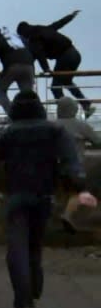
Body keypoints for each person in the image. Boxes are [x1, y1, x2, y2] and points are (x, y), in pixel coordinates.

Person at [0, 90, 97, 308]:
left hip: (15, 198)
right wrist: (80, 188)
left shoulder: (8, 132)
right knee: (34, 245)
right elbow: (70, 163)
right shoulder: (55, 131)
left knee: (17, 249)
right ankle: (34, 283)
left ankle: (23, 305)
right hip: (44, 198)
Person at [18, 10, 95, 118]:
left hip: (65, 57)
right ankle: (86, 105)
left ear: (23, 34)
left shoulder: (33, 39)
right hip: (75, 54)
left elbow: (39, 55)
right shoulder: (43, 29)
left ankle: (66, 115)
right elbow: (58, 24)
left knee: (55, 87)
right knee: (66, 81)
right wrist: (70, 16)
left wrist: (46, 69)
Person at [53, 96, 101, 233]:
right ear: (73, 109)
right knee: (79, 190)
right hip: (74, 167)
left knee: (61, 190)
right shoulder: (81, 125)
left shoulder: (50, 125)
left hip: (52, 166)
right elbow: (97, 142)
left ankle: (57, 215)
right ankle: (68, 216)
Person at [0, 27, 35, 116]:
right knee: (28, 95)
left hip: (13, 67)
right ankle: (30, 117)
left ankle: (13, 115)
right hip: (29, 67)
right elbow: (30, 53)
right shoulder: (20, 39)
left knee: (0, 90)